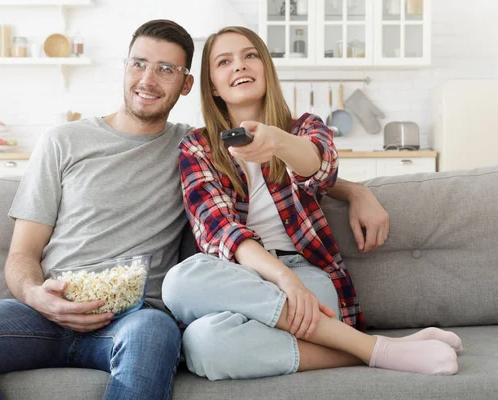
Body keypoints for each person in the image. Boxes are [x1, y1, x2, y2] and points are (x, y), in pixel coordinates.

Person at [0, 19, 391, 400]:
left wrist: (354, 190)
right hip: (49, 309)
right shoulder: (62, 142)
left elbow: (296, 169)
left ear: (188, 84)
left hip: (135, 315)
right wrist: (36, 295)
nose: (148, 80)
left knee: (158, 333)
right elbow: (21, 253)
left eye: (165, 70)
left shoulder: (193, 147)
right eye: (139, 64)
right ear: (124, 68)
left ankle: (364, 348)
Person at [162, 26, 462, 381]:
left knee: (208, 335)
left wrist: (278, 142)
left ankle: (363, 346)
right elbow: (220, 230)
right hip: (239, 279)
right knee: (194, 320)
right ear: (212, 85)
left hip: (308, 278)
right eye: (224, 61)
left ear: (265, 68)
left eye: (249, 55)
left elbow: (320, 170)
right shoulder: (195, 147)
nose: (239, 66)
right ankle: (375, 349)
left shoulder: (305, 128)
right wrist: (283, 280)